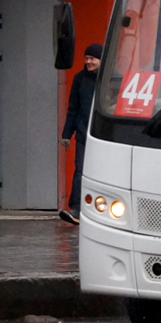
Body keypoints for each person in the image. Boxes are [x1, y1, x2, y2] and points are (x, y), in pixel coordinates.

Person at [59, 43, 102, 224]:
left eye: (92, 58)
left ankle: (101, 211)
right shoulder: (79, 79)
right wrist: (66, 134)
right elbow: (73, 109)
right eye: (86, 58)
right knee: (80, 171)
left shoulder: (109, 80)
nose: (88, 62)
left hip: (104, 136)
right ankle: (76, 209)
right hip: (84, 135)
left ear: (101, 59)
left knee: (103, 173)